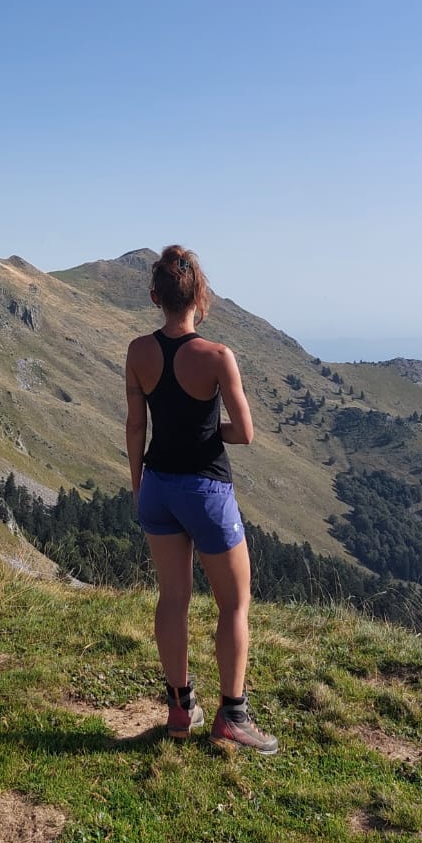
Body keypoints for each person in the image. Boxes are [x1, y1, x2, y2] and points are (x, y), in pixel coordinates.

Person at [125, 245, 278, 755]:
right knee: (234, 603)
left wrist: (137, 482)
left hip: (158, 487)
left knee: (173, 599)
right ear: (200, 297)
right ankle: (232, 715)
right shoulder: (216, 357)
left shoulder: (138, 352)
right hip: (207, 490)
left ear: (155, 297)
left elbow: (136, 424)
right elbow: (247, 433)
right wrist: (211, 429)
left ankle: (178, 705)